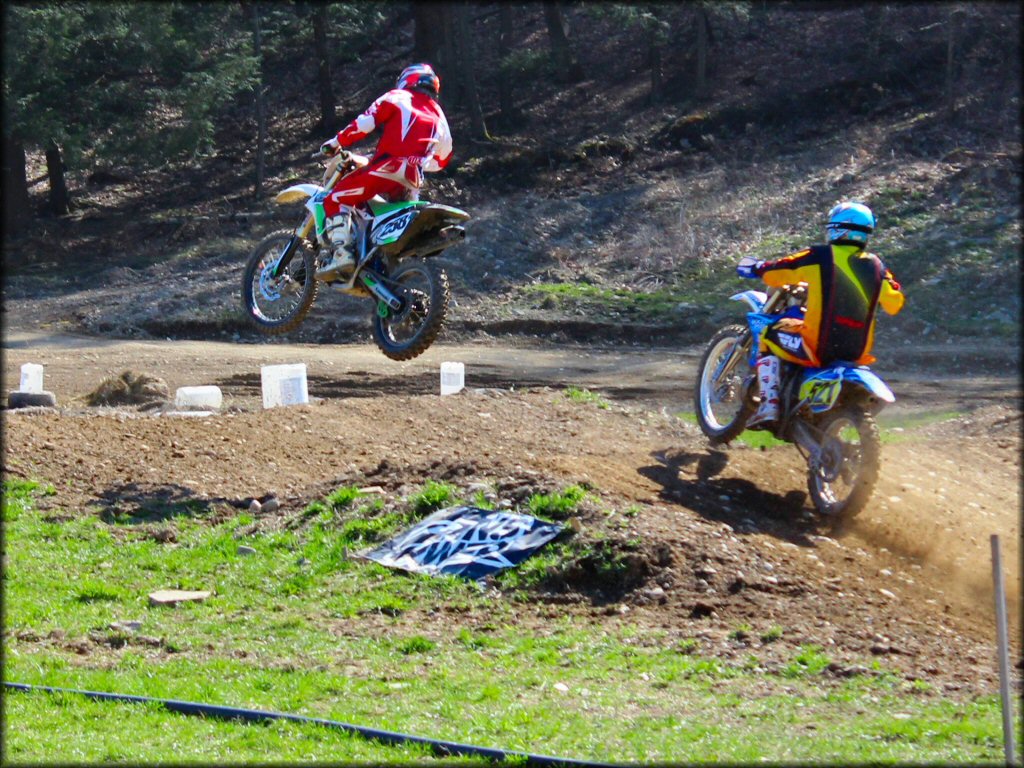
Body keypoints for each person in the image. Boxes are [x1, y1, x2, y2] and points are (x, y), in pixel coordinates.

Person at [736, 202, 905, 429]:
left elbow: (780, 271)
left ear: (837, 228)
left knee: (769, 330)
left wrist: (757, 267)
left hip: (816, 347)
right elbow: (894, 303)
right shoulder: (877, 267)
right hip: (855, 354)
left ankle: (769, 404)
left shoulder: (821, 256)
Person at [315, 63, 453, 280]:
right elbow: (443, 158)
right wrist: (418, 160)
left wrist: (336, 142)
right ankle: (379, 262)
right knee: (376, 212)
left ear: (408, 79)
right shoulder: (439, 116)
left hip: (385, 170)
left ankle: (342, 254)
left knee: (335, 199)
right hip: (412, 179)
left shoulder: (397, 96)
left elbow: (364, 123)